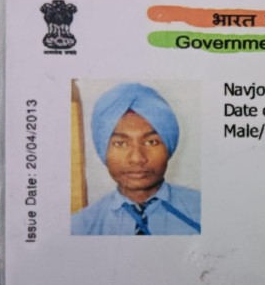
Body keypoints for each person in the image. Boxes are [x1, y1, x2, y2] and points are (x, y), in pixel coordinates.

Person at [71, 83, 201, 235]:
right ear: (103, 150)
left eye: (151, 142)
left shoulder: (204, 211)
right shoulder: (79, 228)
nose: (137, 158)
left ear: (168, 147)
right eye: (120, 144)